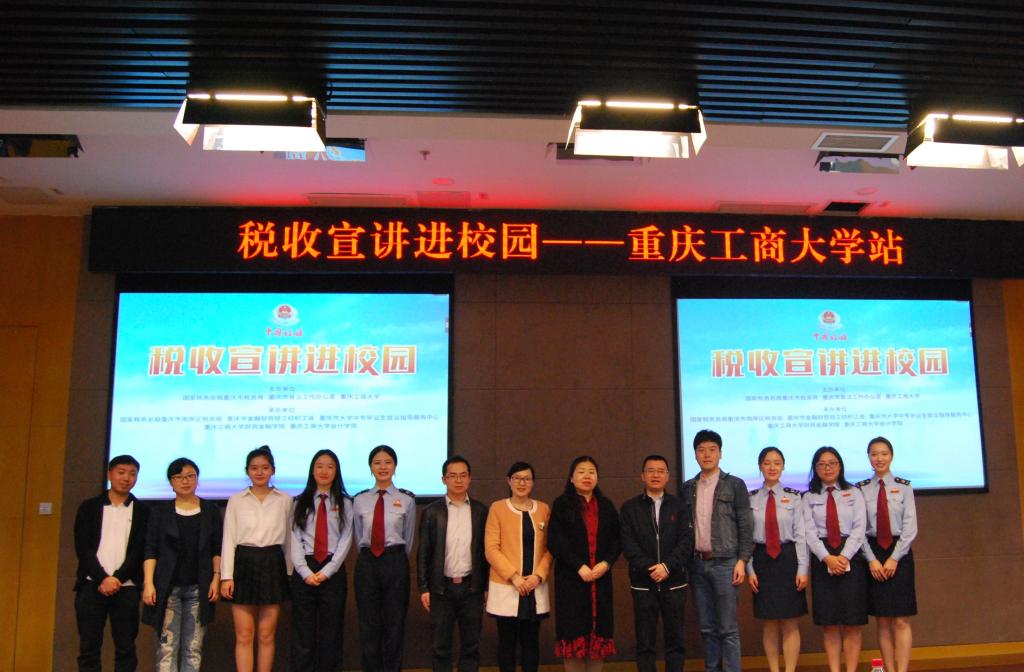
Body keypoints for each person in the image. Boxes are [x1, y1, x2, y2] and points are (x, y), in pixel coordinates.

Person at [681, 429, 753, 672]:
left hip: (726, 563)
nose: (707, 454)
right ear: (695, 455)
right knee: (707, 628)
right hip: (697, 564)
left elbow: (745, 526)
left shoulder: (735, 485)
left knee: (728, 628)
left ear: (720, 453)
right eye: (701, 450)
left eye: (712, 450)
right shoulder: (687, 487)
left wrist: (742, 561)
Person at [142, 458, 222, 672]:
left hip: (198, 588)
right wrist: (148, 583)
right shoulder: (160, 512)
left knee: (193, 649)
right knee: (166, 648)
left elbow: (216, 548)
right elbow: (150, 549)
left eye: (190, 476)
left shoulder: (210, 510)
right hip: (167, 589)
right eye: (178, 477)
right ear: (171, 481)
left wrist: (216, 578)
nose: (185, 481)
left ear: (197, 479)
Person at [74, 454, 151, 672]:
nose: (126, 478)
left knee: (126, 649)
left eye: (132, 474)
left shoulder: (143, 511)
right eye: (121, 472)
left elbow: (139, 550)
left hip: (126, 587)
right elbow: (83, 548)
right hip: (92, 585)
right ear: (109, 474)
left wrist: (117, 578)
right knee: (89, 648)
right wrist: (103, 578)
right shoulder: (89, 507)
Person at [220, 446, 292, 672]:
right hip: (243, 563)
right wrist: (226, 576)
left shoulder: (285, 500)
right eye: (254, 468)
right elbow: (229, 539)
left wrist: (289, 574)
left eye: (265, 468)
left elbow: (290, 541)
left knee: (266, 634)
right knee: (244, 634)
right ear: (247, 471)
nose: (259, 472)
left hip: (273, 563)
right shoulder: (236, 500)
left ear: (273, 470)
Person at [619, 454, 692, 672]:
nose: (656, 475)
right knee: (645, 642)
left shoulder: (679, 506)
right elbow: (628, 544)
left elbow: (686, 541)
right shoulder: (630, 508)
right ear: (642, 476)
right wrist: (651, 568)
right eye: (651, 470)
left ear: (668, 476)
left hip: (674, 582)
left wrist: (667, 567)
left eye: (661, 471)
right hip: (643, 583)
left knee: (676, 641)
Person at [417, 455, 490, 672]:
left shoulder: (480, 511)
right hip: (441, 588)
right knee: (440, 647)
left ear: (470, 478)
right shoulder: (431, 512)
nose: (458, 480)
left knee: (471, 646)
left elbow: (486, 552)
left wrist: (486, 586)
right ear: (444, 479)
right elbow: (424, 553)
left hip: (472, 588)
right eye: (453, 476)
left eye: (463, 475)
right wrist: (424, 587)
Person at [548, 455, 620, 672]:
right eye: (581, 472)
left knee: (599, 636)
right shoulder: (561, 505)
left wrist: (606, 563)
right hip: (572, 580)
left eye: (591, 472)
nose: (587, 476)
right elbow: (555, 541)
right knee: (573, 636)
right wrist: (579, 566)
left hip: (600, 580)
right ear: (571, 478)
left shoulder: (606, 506)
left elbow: (617, 539)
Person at [803, 446, 868, 672]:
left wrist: (844, 556)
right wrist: (827, 558)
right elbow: (809, 532)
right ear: (815, 468)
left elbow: (860, 528)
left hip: (851, 556)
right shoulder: (808, 497)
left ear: (840, 466)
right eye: (821, 464)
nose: (827, 468)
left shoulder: (854, 493)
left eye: (832, 463)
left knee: (852, 622)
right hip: (823, 558)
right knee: (829, 623)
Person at [289, 449, 354, 672]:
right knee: (303, 632)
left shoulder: (345, 503)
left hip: (332, 571)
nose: (324, 471)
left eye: (330, 466)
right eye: (319, 466)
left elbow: (346, 538)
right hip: (304, 570)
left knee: (331, 632)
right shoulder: (300, 502)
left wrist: (328, 570)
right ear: (312, 470)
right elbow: (294, 537)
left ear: (336, 471)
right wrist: (304, 571)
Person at [352, 444, 416, 672]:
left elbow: (408, 537)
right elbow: (358, 535)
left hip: (395, 561)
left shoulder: (407, 500)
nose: (383, 467)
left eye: (388, 462)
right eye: (377, 463)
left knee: (394, 624)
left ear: (395, 466)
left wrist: (394, 559)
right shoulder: (359, 500)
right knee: (369, 625)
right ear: (370, 467)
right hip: (367, 563)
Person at [484, 461, 553, 672]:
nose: (522, 483)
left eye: (526, 479)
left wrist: (538, 576)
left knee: (531, 643)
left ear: (533, 482)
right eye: (517, 478)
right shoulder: (497, 508)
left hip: (534, 587)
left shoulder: (543, 509)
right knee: (507, 643)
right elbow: (491, 548)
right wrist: (514, 577)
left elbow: (550, 548)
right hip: (507, 586)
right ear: (509, 481)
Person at [857, 436, 917, 672]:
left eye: (884, 453)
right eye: (874, 454)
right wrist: (872, 560)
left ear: (891, 456)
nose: (879, 458)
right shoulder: (860, 489)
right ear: (869, 458)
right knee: (882, 620)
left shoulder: (904, 486)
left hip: (899, 554)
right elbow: (859, 529)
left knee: (901, 619)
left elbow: (910, 528)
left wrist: (894, 558)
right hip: (872, 553)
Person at [746, 448, 808, 672]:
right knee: (769, 621)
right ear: (760, 466)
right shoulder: (750, 498)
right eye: (767, 463)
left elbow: (801, 535)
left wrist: (803, 568)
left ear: (783, 466)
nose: (772, 467)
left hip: (788, 559)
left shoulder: (795, 496)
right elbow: (746, 537)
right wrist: (749, 569)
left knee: (791, 621)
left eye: (777, 462)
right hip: (762, 559)